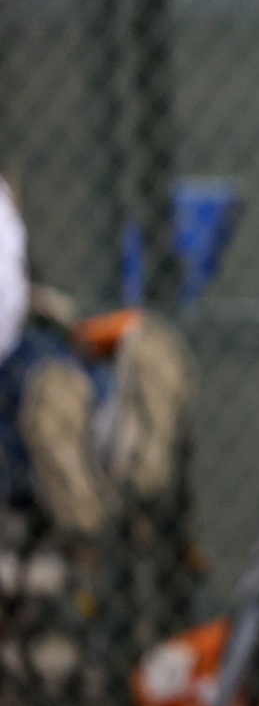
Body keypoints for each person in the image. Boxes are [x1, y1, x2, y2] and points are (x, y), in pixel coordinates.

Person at [0, 174, 191, 540]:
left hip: (44, 338)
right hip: (13, 372)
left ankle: (132, 465)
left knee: (149, 352)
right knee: (52, 388)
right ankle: (88, 508)